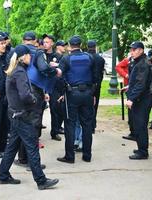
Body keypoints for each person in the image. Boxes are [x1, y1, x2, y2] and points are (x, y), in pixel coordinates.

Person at [0, 44, 59, 190]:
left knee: (12, 146)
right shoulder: (19, 72)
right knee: (32, 147)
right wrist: (34, 100)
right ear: (23, 56)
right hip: (23, 115)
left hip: (15, 114)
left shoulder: (15, 70)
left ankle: (3, 175)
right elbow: (25, 95)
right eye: (28, 55)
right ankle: (41, 180)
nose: (30, 57)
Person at [57, 35, 97, 163]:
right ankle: (87, 155)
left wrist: (63, 90)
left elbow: (60, 76)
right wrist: (93, 93)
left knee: (70, 124)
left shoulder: (66, 59)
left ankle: (70, 156)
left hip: (72, 94)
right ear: (81, 45)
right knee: (87, 124)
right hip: (87, 93)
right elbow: (96, 77)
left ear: (69, 45)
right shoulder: (90, 57)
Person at [126, 41, 152, 160]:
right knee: (138, 125)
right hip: (139, 98)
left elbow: (141, 84)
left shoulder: (143, 63)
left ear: (141, 50)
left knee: (141, 125)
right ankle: (141, 147)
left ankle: (143, 151)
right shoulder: (138, 62)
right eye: (131, 49)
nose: (132, 52)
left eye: (134, 49)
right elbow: (137, 81)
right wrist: (128, 87)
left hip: (142, 99)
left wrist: (131, 98)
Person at [42, 34, 64, 141]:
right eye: (44, 41)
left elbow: (63, 69)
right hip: (41, 85)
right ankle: (36, 133)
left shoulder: (58, 56)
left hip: (53, 86)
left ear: (52, 43)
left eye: (47, 42)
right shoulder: (40, 54)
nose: (45, 44)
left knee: (55, 109)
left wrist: (57, 66)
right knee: (38, 109)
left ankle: (55, 131)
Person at [116, 56, 137, 141]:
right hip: (129, 86)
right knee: (131, 111)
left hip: (134, 88)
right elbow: (118, 66)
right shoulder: (128, 59)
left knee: (133, 111)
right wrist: (126, 75)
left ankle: (135, 132)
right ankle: (133, 131)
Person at [87, 40, 105, 133]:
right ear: (95, 46)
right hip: (96, 85)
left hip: (87, 84)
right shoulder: (100, 59)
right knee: (95, 105)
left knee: (86, 106)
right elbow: (101, 74)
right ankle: (92, 125)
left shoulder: (85, 57)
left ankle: (87, 125)